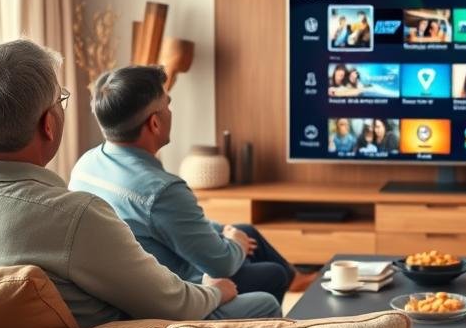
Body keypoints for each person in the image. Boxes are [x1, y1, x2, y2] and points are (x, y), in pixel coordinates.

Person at [0, 39, 259, 328]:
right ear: (48, 124)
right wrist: (216, 291)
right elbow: (174, 304)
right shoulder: (75, 216)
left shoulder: (83, 172)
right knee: (263, 302)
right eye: (60, 99)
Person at [70, 66, 316, 314]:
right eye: (168, 104)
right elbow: (221, 265)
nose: (170, 110)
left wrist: (226, 232)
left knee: (246, 230)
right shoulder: (162, 190)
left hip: (137, 274)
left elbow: (172, 223)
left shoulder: (85, 164)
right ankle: (276, 312)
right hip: (177, 290)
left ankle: (296, 278)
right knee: (272, 276)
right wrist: (237, 243)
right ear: (154, 123)